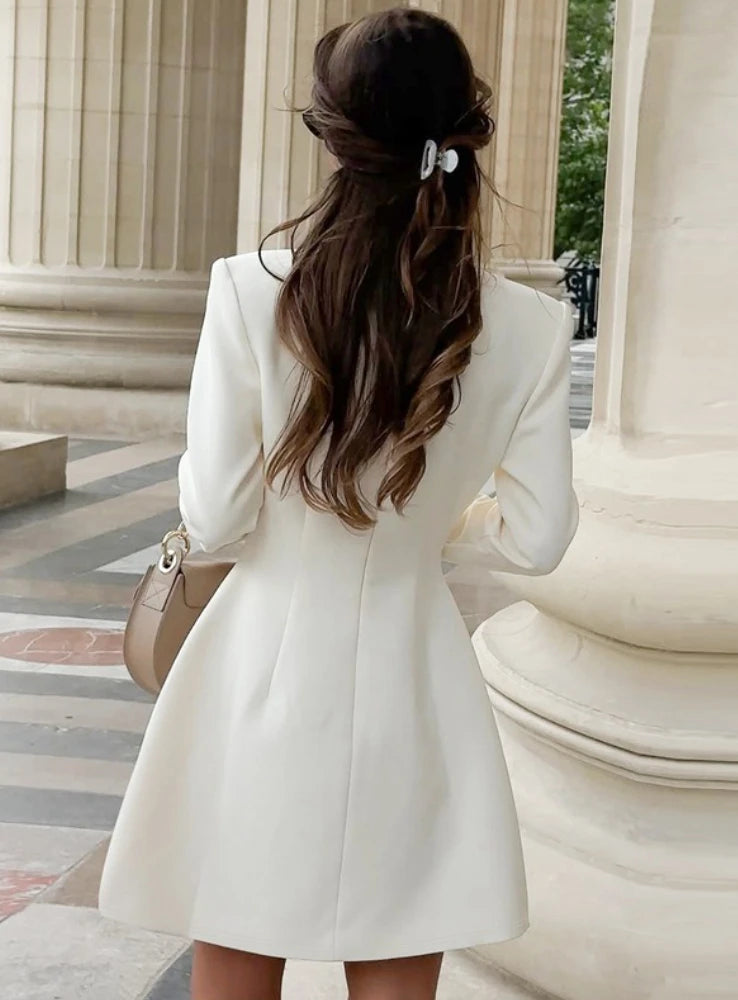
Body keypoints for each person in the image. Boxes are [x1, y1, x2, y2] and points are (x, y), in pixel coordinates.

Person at [98, 7, 579, 999]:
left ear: (332, 134)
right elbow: (539, 541)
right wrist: (446, 517)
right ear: (462, 135)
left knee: (238, 931)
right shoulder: (529, 325)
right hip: (417, 673)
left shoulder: (247, 291)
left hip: (260, 666)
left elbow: (222, 517)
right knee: (402, 931)